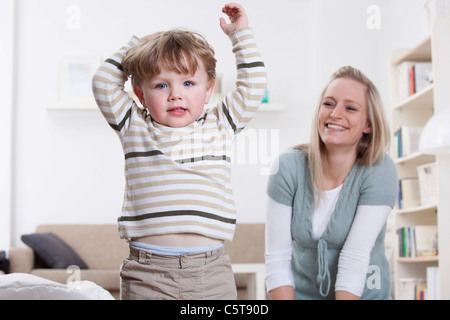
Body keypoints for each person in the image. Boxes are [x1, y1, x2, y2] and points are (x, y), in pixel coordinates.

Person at [92, 3, 266, 300]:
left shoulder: (220, 124)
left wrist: (240, 37)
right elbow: (103, 82)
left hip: (210, 272)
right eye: (161, 85)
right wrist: (139, 42)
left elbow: (253, 87)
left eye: (188, 82)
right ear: (140, 95)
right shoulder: (134, 126)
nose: (176, 94)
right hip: (147, 273)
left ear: (209, 89)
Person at [265, 66, 398, 300]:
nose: (335, 114)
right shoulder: (287, 167)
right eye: (328, 104)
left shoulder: (379, 170)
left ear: (368, 125)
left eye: (350, 108)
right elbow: (277, 259)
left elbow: (355, 258)